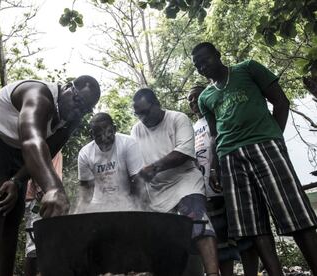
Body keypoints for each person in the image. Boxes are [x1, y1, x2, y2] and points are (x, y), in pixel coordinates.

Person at [192, 42, 317, 276]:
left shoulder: (247, 69)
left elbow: (281, 102)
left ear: (218, 55)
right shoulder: (205, 97)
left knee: (295, 213)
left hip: (264, 146)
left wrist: (273, 138)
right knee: (252, 226)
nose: (201, 66)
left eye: (204, 59)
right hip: (229, 158)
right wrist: (215, 168)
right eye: (197, 65)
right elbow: (214, 134)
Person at [0, 76, 100, 276]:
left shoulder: (71, 119)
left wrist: (17, 180)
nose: (78, 110)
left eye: (85, 109)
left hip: (15, 147)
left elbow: (48, 150)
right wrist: (54, 188)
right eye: (78, 101)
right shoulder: (39, 95)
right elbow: (33, 141)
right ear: (68, 87)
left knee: (13, 214)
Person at [131, 88, 220, 276]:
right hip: (155, 190)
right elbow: (135, 164)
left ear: (157, 103)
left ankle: (213, 274)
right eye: (138, 114)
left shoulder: (177, 119)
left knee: (198, 221)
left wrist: (153, 168)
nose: (143, 118)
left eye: (146, 112)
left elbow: (184, 153)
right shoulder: (136, 129)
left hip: (184, 182)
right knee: (159, 239)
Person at [188, 85, 259, 276]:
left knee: (246, 235)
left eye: (196, 97)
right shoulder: (192, 128)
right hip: (207, 190)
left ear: (206, 97)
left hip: (230, 182)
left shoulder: (218, 115)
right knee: (220, 240)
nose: (193, 102)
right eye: (190, 100)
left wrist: (215, 169)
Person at [74, 112, 144, 213]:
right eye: (98, 135)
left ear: (114, 129)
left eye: (108, 133)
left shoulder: (128, 144)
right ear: (91, 134)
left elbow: (138, 182)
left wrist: (136, 210)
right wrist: (77, 215)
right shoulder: (85, 154)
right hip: (98, 207)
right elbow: (85, 193)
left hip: (126, 205)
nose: (104, 139)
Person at [24, 152, 63, 276]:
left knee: (50, 243)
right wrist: (40, 189)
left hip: (51, 196)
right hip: (38, 198)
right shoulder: (43, 138)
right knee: (34, 244)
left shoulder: (56, 140)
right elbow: (35, 161)